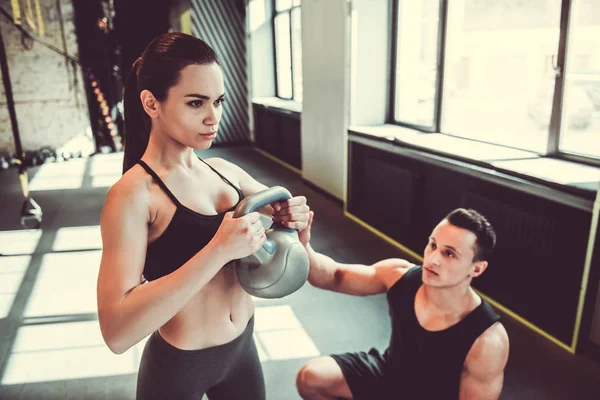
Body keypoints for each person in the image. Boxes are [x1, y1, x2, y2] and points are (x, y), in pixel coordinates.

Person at [96, 32, 310, 400]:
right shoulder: (133, 195)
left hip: (242, 349)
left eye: (219, 102)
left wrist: (297, 220)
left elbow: (296, 250)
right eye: (196, 103)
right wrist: (218, 250)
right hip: (180, 367)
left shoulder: (227, 172)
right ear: (151, 103)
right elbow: (116, 331)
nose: (214, 118)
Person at [295, 208, 510, 400]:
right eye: (433, 245)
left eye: (449, 254)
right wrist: (303, 245)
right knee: (311, 378)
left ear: (477, 269)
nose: (433, 259)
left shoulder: (487, 341)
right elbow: (333, 276)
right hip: (390, 374)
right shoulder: (400, 276)